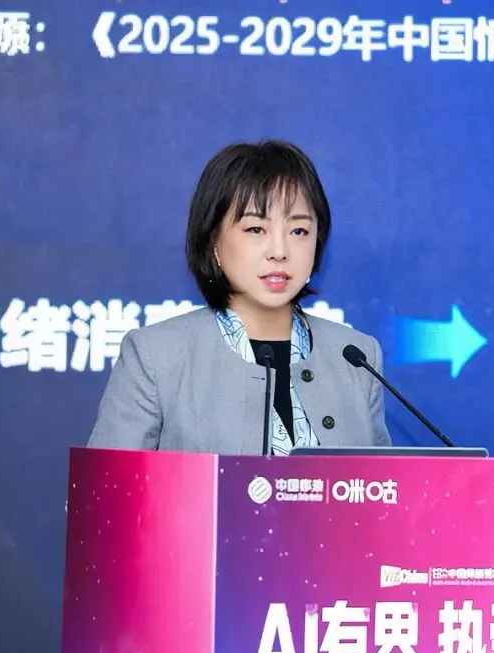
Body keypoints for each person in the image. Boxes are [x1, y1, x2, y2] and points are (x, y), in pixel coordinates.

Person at [87, 140, 392, 454]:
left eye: (298, 231)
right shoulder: (156, 356)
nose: (279, 251)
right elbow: (108, 484)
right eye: (256, 229)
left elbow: (383, 482)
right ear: (214, 243)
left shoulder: (356, 357)